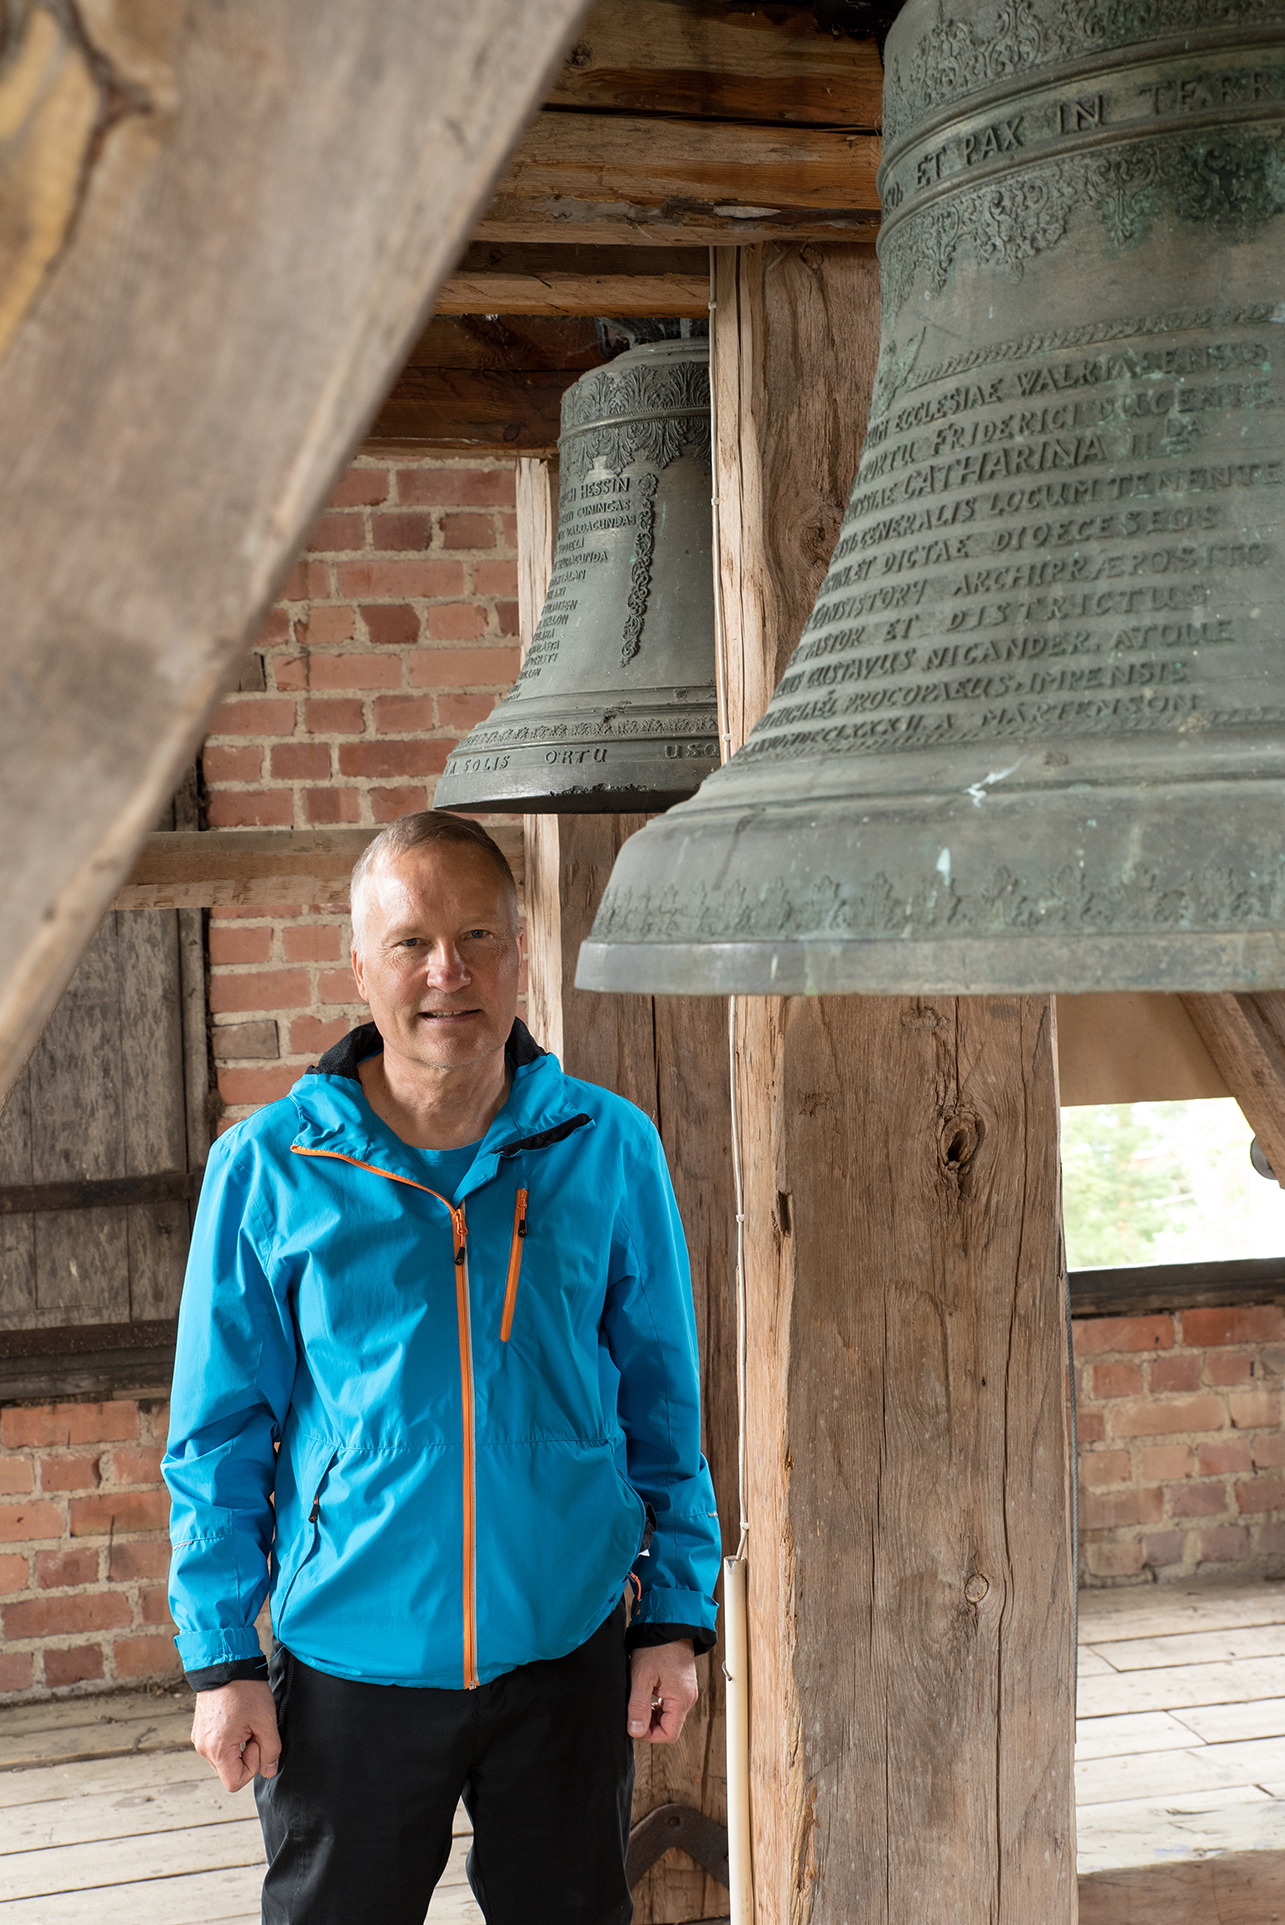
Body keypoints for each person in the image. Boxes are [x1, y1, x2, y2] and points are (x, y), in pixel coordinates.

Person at [162, 811, 721, 1925]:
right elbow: (220, 1428)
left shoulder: (606, 1145)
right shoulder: (270, 1165)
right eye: (411, 939)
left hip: (562, 1647)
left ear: (521, 952)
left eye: (477, 935)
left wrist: (671, 1616)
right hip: (347, 1662)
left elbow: (664, 1402)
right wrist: (221, 1655)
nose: (446, 971)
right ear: (359, 962)